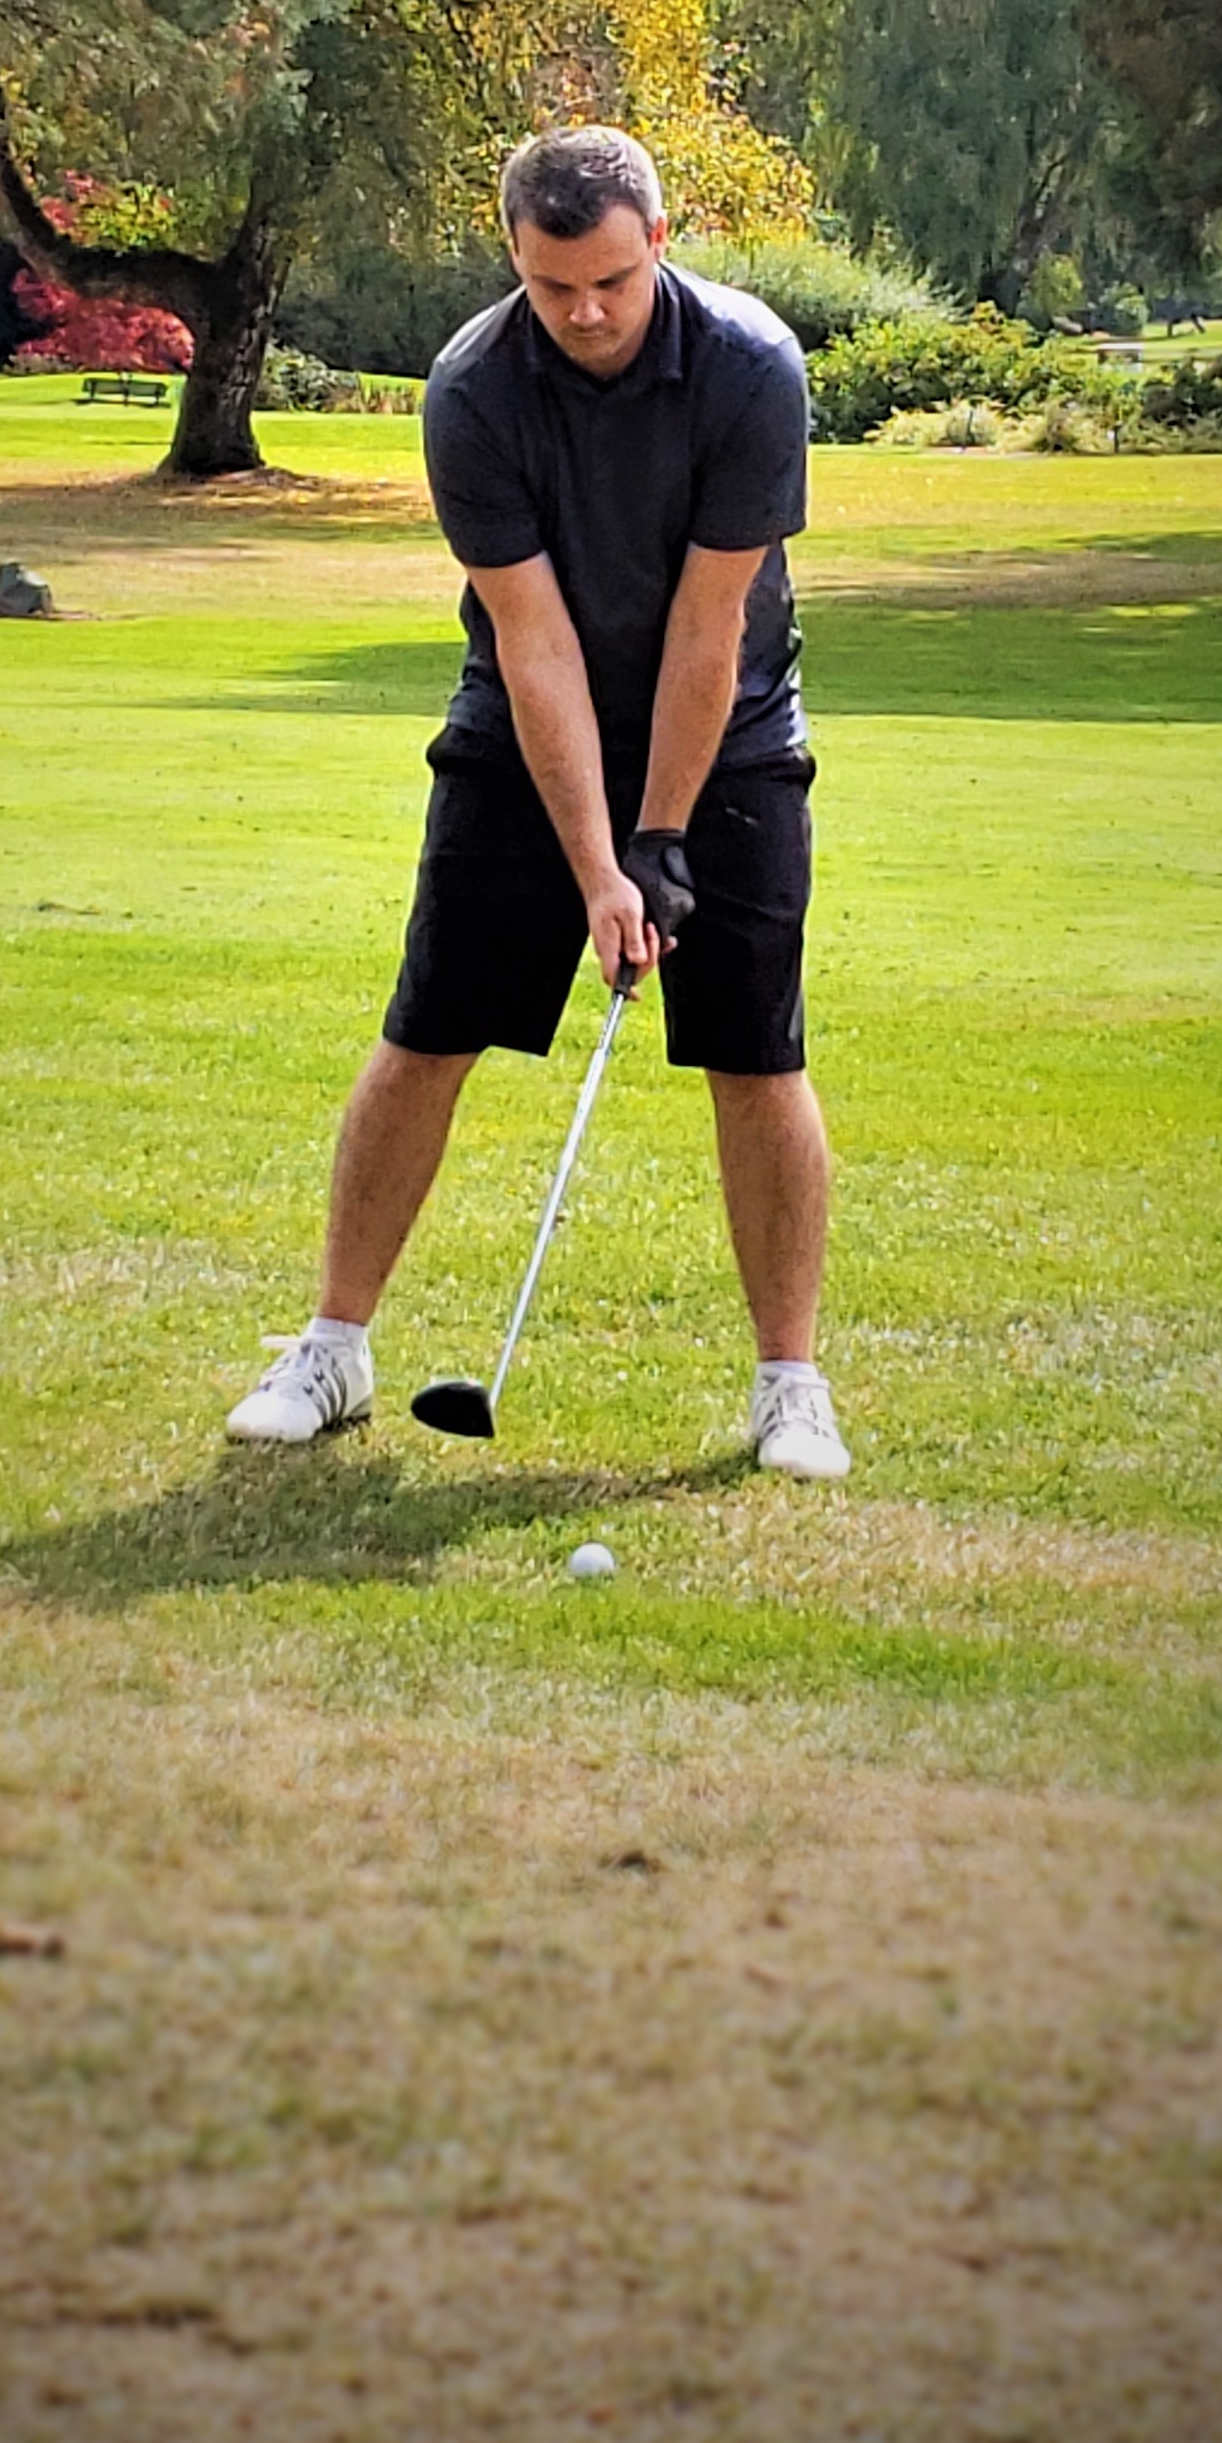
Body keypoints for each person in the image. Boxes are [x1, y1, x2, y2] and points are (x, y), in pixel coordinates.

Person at [226, 125, 849, 1480]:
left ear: (660, 243)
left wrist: (663, 837)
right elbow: (535, 641)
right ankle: (332, 1349)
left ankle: (790, 1384)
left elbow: (710, 626)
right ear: (513, 256)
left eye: (612, 282)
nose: (586, 313)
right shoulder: (473, 388)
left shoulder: (749, 367)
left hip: (730, 734)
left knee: (756, 1054)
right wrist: (596, 866)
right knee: (428, 1030)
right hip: (525, 731)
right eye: (553, 285)